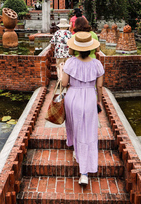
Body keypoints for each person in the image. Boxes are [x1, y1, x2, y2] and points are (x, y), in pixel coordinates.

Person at [61, 32, 104, 186]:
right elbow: (99, 86)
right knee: (88, 131)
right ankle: (84, 173)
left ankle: (76, 151)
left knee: (75, 125)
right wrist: (98, 101)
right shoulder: (97, 64)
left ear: (76, 48)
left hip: (73, 98)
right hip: (90, 98)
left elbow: (64, 83)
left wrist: (62, 72)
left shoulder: (70, 63)